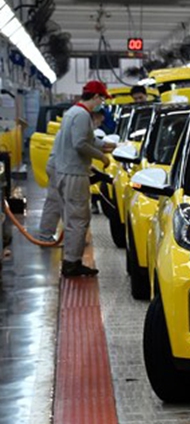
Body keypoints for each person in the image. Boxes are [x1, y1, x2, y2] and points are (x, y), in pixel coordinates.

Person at [37, 80, 114, 277]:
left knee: (72, 217)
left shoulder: (73, 112)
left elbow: (85, 139)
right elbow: (81, 144)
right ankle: (72, 263)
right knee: (79, 219)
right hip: (74, 174)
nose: (102, 102)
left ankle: (71, 259)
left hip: (65, 171)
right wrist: (102, 156)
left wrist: (104, 144)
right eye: (102, 98)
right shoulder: (82, 115)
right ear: (96, 97)